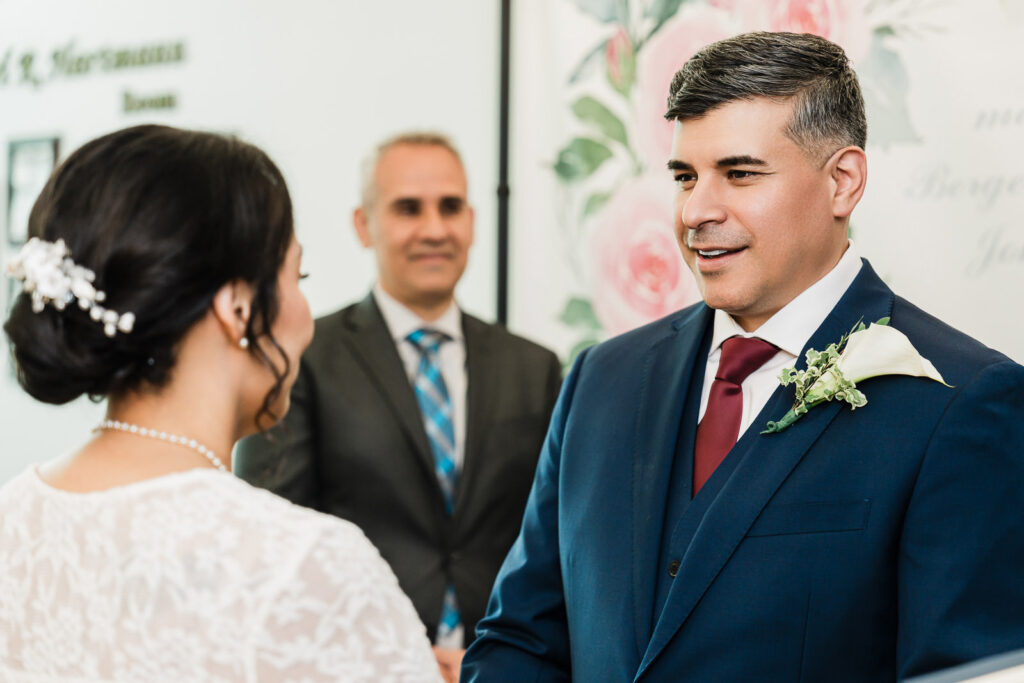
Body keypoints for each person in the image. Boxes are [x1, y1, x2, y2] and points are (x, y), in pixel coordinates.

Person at [462, 31, 1024, 682]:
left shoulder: (962, 400)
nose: (697, 210)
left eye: (739, 173)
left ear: (843, 181)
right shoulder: (599, 380)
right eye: (685, 177)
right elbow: (520, 641)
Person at [0, 125, 444, 682]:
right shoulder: (304, 567)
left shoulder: (10, 521)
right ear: (237, 308)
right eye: (296, 276)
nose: (306, 314)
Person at [235, 132, 562, 668]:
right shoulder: (302, 360)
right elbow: (271, 542)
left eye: (450, 207)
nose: (434, 229)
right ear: (364, 225)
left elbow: (552, 542)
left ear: (473, 221)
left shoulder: (535, 366)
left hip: (503, 664)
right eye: (408, 208)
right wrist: (386, 655)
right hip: (354, 664)